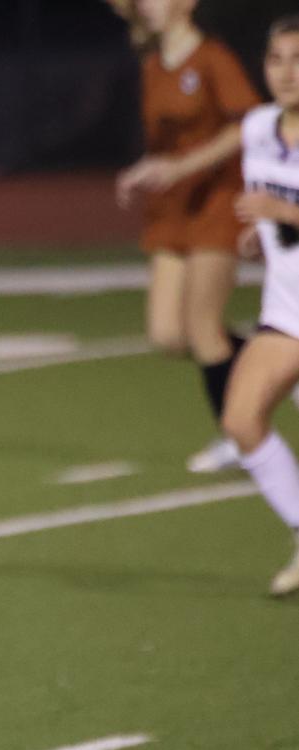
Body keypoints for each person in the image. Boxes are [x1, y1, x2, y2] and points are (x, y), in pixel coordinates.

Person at [108, 0, 260, 473]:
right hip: (172, 210)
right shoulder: (154, 66)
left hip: (217, 202)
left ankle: (240, 436)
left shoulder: (213, 58)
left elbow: (247, 125)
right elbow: (165, 149)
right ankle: (277, 362)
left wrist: (183, 167)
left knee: (203, 328)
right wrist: (145, 171)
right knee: (168, 335)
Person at [220, 16, 299, 596]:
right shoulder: (258, 129)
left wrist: (284, 214)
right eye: (276, 60)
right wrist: (260, 235)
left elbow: (282, 207)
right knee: (241, 420)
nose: (287, 72)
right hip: (287, 311)